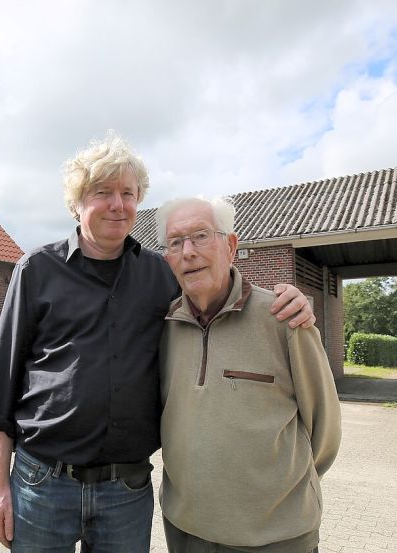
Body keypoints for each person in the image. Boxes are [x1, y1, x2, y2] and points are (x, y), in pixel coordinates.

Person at [0, 133, 315, 552]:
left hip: (126, 490)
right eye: (103, 192)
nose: (118, 205)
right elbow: (3, 391)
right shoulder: (36, 270)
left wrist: (285, 300)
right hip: (43, 483)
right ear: (77, 203)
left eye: (128, 193)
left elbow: (216, 285)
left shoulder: (161, 274)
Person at [156, 196, 342, 553]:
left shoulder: (284, 318)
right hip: (185, 531)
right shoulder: (162, 327)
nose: (188, 251)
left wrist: (279, 496)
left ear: (231, 245)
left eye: (200, 236)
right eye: (176, 242)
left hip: (276, 538)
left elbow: (325, 427)